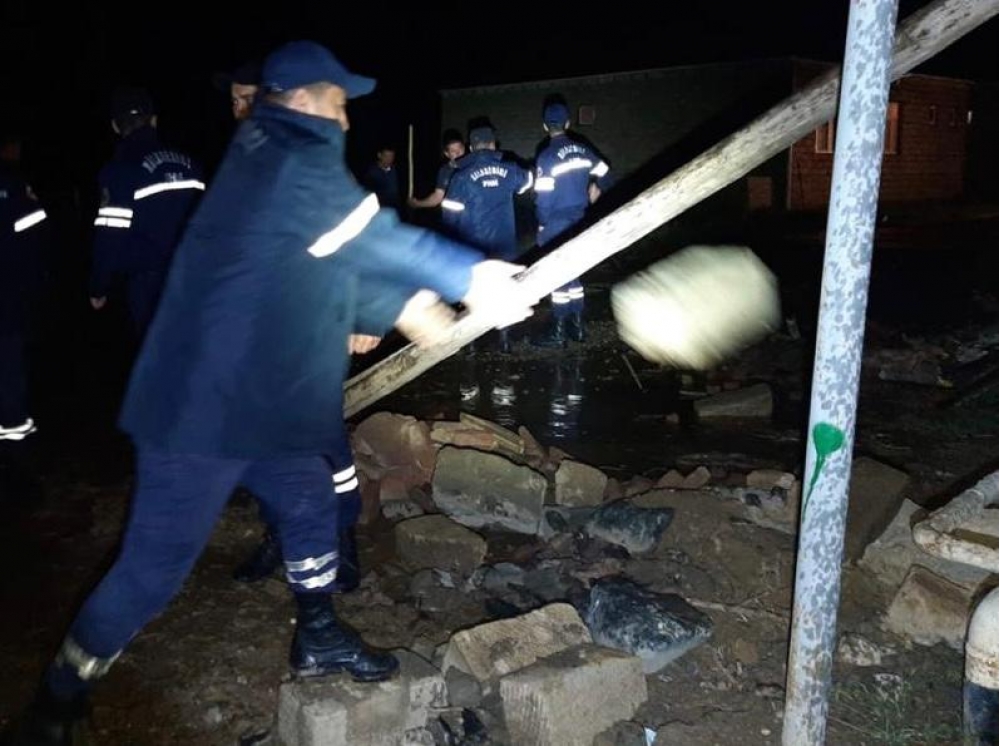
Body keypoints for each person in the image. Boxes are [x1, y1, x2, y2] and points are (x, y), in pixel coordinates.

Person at [1, 40, 532, 744]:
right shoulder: (284, 156)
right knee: (153, 569)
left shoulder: (273, 161)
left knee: (309, 498)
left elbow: (326, 256)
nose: (346, 119)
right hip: (201, 411)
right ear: (305, 98)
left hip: (252, 402)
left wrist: (402, 304)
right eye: (339, 103)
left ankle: (317, 633)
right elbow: (367, 237)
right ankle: (57, 699)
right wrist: (471, 277)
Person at [89, 87, 205, 340]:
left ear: (115, 126)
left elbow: (110, 236)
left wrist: (99, 286)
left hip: (149, 286)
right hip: (195, 277)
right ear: (154, 120)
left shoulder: (119, 171)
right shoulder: (191, 164)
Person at [441, 124, 532, 352]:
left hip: (473, 249)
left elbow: (449, 218)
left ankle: (470, 344)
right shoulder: (510, 169)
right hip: (504, 247)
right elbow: (529, 181)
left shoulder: (460, 177)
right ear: (493, 144)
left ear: (471, 148)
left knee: (471, 294)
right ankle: (504, 342)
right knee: (503, 291)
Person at [533, 98, 611, 347]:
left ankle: (559, 333)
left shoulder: (546, 157)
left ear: (545, 126)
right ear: (567, 123)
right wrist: (595, 187)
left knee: (557, 276)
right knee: (573, 274)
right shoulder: (582, 148)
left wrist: (542, 224)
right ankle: (577, 329)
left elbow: (543, 199)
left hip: (556, 223)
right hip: (580, 219)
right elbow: (605, 171)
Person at [0, 129, 49, 499]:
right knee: (11, 387)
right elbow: (36, 247)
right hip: (9, 305)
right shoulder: (15, 187)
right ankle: (19, 471)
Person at [407, 128, 466, 211]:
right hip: (456, 214)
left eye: (460, 148)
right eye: (453, 151)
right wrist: (417, 203)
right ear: (447, 154)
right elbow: (437, 197)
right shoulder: (445, 171)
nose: (458, 153)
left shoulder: (474, 164)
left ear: (464, 148)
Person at [362, 145, 401, 209]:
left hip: (394, 208)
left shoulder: (396, 170)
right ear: (379, 155)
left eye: (391, 156)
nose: (389, 159)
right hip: (379, 208)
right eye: (386, 156)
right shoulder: (372, 172)